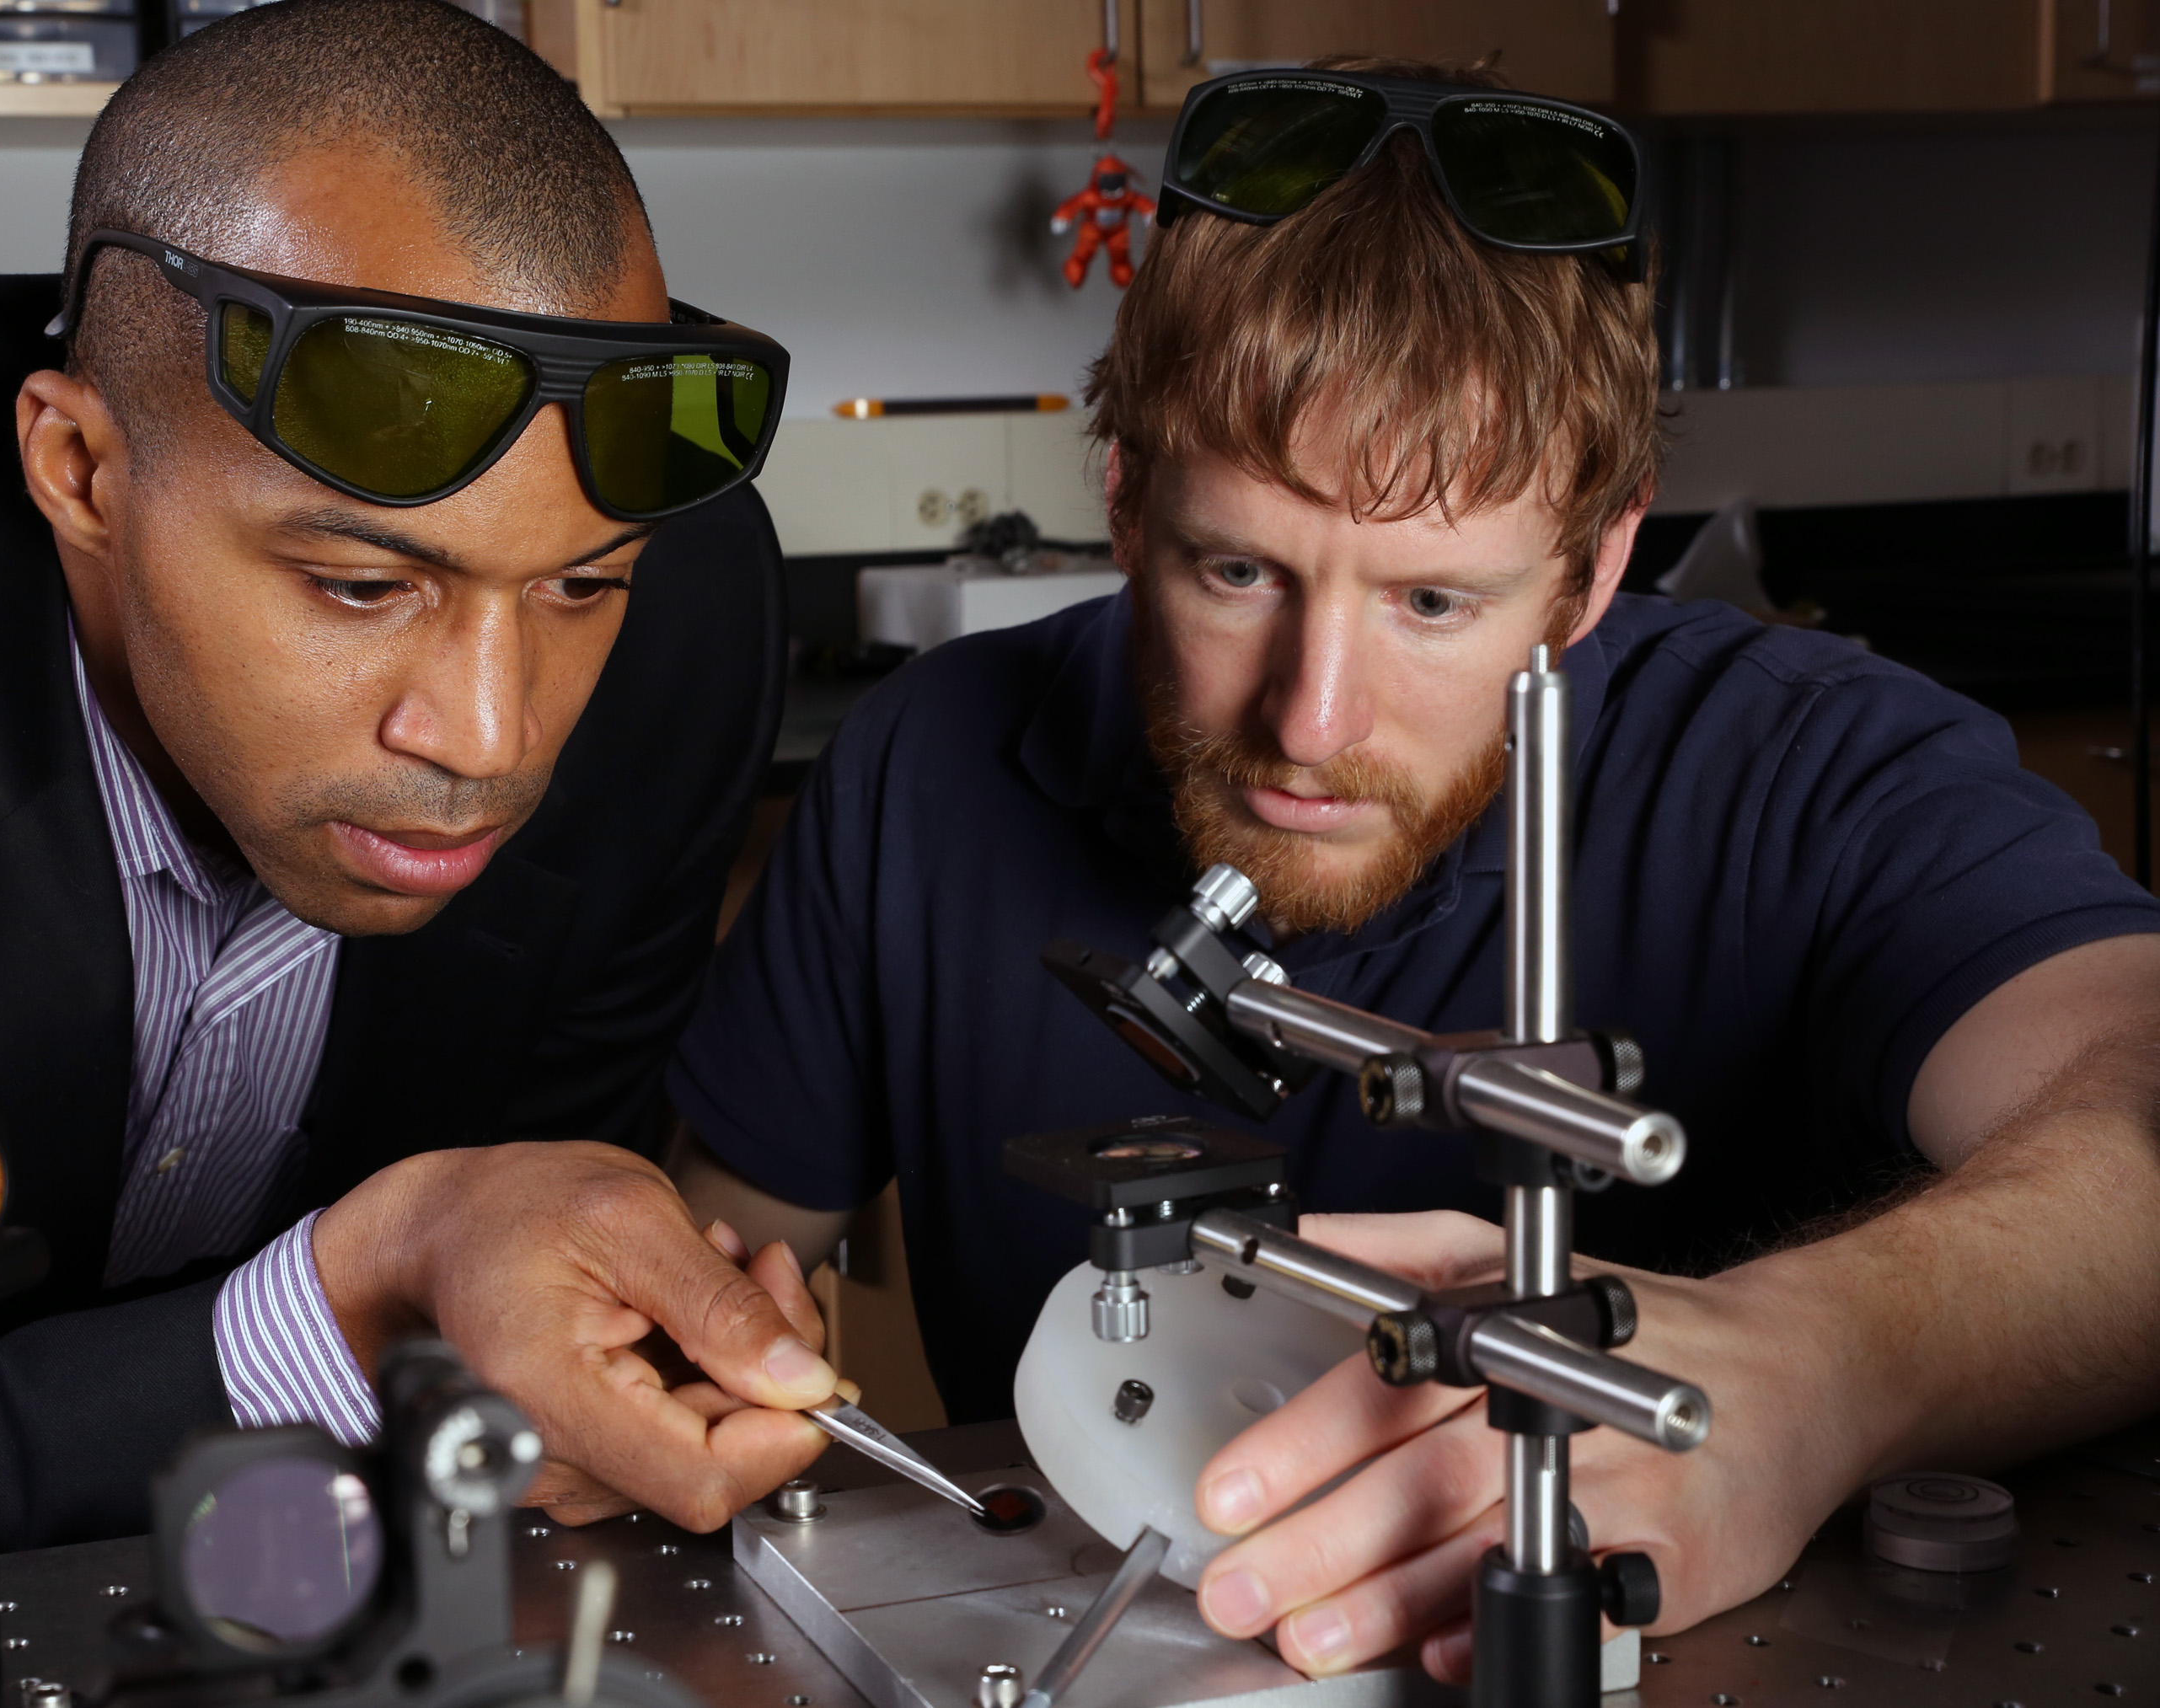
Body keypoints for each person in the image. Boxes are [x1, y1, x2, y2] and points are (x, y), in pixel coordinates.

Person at [665, 58, 2160, 1684]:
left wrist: (1818, 1367)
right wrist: (678, 1374)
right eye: (1235, 569)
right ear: (1124, 506)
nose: (1311, 720)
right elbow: (709, 1281)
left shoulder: (1813, 771)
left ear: (1591, 573)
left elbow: (2135, 1116)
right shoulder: (929, 767)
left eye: (1434, 604)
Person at [0, 0, 848, 1599]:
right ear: (79, 472)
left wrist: (574, 1347)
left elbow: (524, 1225)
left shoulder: (683, 627)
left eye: (574, 588)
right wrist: (356, 1306)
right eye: (357, 584)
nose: (490, 737)